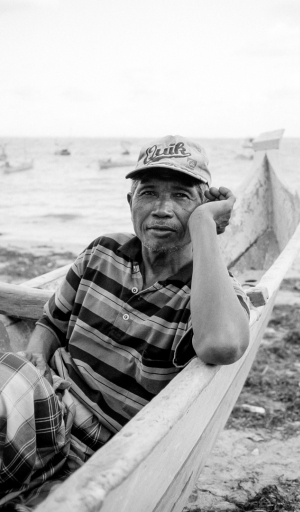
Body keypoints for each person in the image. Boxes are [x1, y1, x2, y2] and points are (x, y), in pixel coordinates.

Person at [0, 135, 250, 510]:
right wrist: (34, 355)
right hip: (49, 406)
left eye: (182, 197)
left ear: (207, 209)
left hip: (107, 447)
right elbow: (53, 320)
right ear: (130, 203)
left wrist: (203, 227)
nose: (162, 209)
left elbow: (223, 344)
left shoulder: (209, 293)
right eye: (148, 193)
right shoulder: (102, 253)